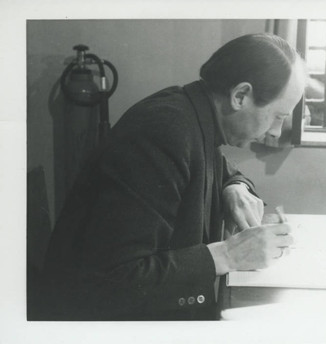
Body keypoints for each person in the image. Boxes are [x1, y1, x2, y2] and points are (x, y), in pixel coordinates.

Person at [40, 33, 306, 320]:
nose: (277, 132)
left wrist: (236, 188)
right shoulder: (164, 131)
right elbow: (112, 280)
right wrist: (229, 255)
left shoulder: (191, 112)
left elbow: (221, 168)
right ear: (240, 96)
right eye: (278, 116)